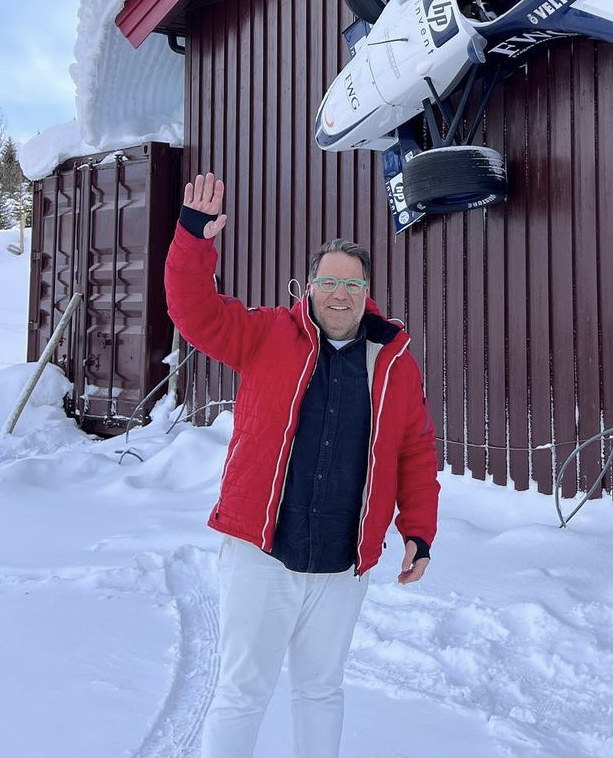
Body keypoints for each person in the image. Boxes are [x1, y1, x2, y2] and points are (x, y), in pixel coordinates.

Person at [164, 172, 439, 758]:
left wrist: (418, 531)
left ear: (367, 291)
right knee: (243, 691)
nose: (340, 294)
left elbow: (416, 451)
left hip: (342, 564)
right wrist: (193, 237)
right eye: (329, 281)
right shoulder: (265, 335)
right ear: (308, 286)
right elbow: (194, 311)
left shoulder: (392, 361)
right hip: (263, 555)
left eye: (352, 283)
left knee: (321, 691)